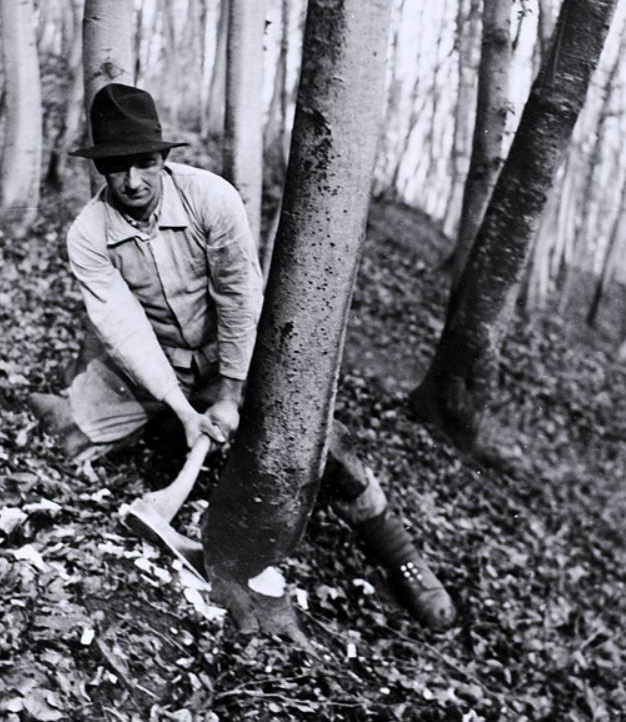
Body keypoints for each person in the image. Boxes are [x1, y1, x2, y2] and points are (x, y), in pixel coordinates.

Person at [32, 83, 455, 630]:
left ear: (162, 158)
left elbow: (239, 301)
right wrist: (182, 410)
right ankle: (119, 408)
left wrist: (230, 395)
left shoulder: (213, 199)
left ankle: (399, 555)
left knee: (320, 444)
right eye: (116, 167)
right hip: (156, 370)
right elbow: (124, 328)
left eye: (142, 163)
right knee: (75, 429)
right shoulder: (87, 235)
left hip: (232, 354)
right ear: (100, 170)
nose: (131, 181)